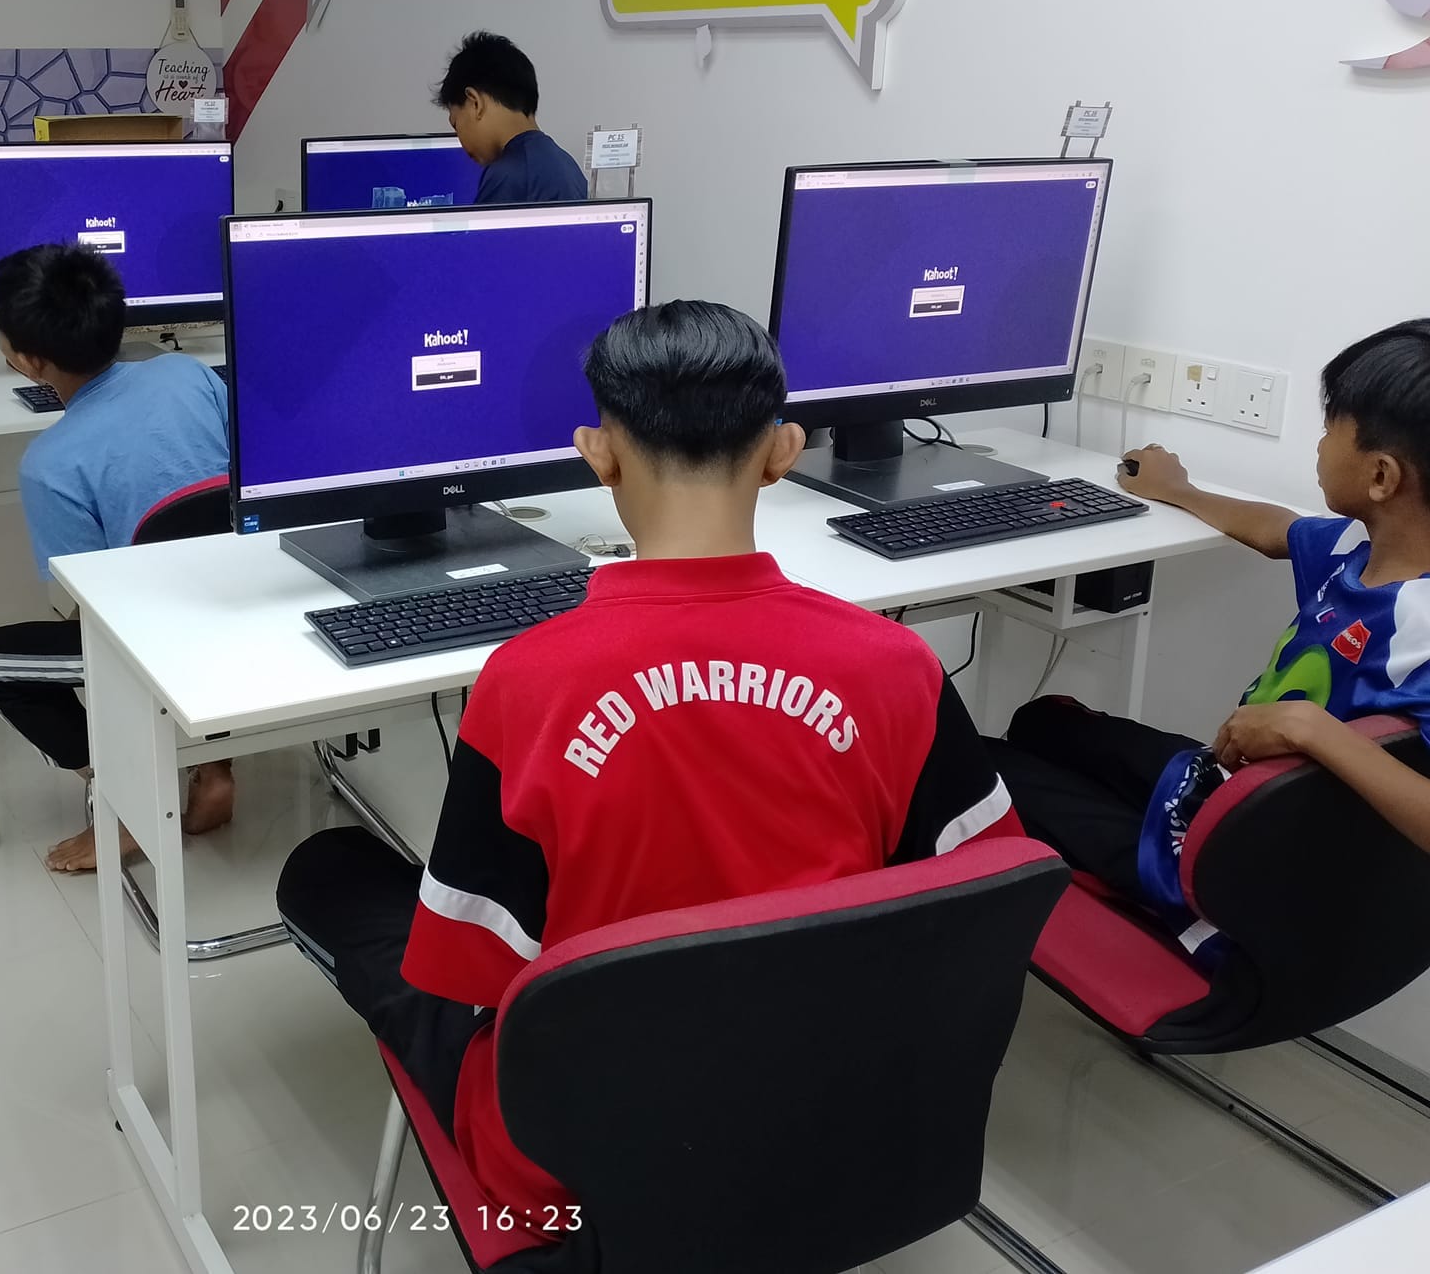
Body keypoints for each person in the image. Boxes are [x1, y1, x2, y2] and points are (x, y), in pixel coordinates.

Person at [277, 300, 1020, 1225]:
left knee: (335, 875)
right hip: (835, 1109)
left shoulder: (524, 684)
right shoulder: (899, 665)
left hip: (579, 1158)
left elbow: (469, 971)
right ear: (784, 451)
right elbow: (987, 895)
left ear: (599, 454)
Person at [994, 319, 1430, 952]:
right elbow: (1278, 531)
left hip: (1240, 867)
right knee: (1043, 722)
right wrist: (1180, 491)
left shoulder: (1420, 630)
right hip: (1228, 787)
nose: (1318, 445)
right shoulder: (1360, 551)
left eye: (1331, 428)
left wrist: (1309, 729)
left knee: (983, 768)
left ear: (1382, 476)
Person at [0, 244, 235, 873]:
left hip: (164, 636)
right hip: (247, 603)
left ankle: (130, 798)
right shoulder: (190, 375)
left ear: (28, 361)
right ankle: (216, 769)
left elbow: (92, 612)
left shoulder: (50, 464)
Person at [435, 31, 590, 205]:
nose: (461, 141)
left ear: (475, 103)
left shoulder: (508, 175)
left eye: (456, 124)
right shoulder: (566, 163)